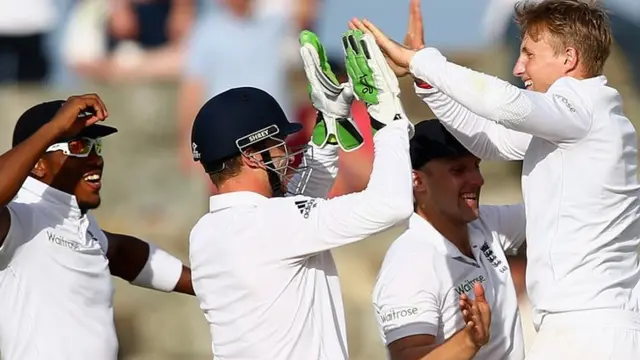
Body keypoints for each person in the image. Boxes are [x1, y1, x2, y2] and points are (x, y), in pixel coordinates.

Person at [352, 0, 640, 358]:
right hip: (587, 327)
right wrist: (427, 81)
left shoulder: (582, 107)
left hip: (587, 330)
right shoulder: (578, 119)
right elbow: (491, 140)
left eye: (529, 54)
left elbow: (507, 105)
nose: (519, 68)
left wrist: (420, 60)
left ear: (568, 58)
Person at [188, 29, 414, 360]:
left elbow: (292, 205)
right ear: (252, 155)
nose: (285, 155)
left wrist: (330, 125)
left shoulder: (204, 234)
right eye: (278, 145)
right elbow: (392, 204)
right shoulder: (275, 223)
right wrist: (388, 115)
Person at [0, 95, 194, 360]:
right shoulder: (18, 218)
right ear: (38, 163)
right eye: (79, 146)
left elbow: (121, 253)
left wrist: (205, 285)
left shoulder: (79, 223)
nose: (96, 159)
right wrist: (55, 128)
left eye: (96, 147)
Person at [372, 119, 526, 360]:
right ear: (417, 180)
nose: (478, 180)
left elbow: (556, 212)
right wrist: (469, 341)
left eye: (476, 166)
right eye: (458, 170)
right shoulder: (408, 265)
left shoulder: (484, 222)